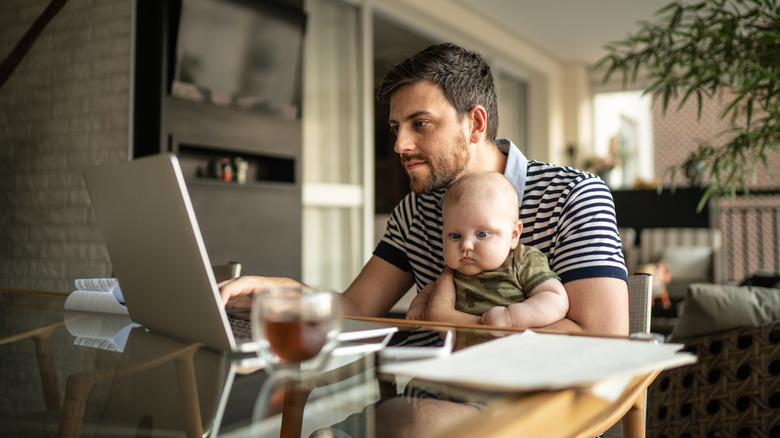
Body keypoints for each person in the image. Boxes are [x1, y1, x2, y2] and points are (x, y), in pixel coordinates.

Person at [220, 42, 628, 337]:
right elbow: (358, 308)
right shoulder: (414, 213)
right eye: (397, 128)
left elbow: (605, 339)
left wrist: (465, 324)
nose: (400, 145)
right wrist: (287, 292)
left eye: (421, 123)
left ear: (475, 125)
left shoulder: (573, 194)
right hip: (435, 397)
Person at [406, 170, 568, 328]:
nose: (466, 245)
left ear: (513, 235)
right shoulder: (454, 273)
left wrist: (511, 317)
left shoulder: (522, 261)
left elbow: (555, 297)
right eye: (455, 236)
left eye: (482, 234)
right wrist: (419, 305)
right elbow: (430, 290)